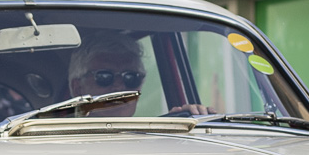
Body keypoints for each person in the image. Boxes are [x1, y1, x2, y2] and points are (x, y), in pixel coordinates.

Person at [63, 31, 206, 117]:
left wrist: (191, 118)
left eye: (131, 78)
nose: (119, 86)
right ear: (78, 88)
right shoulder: (57, 145)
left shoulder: (159, 140)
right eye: (105, 77)